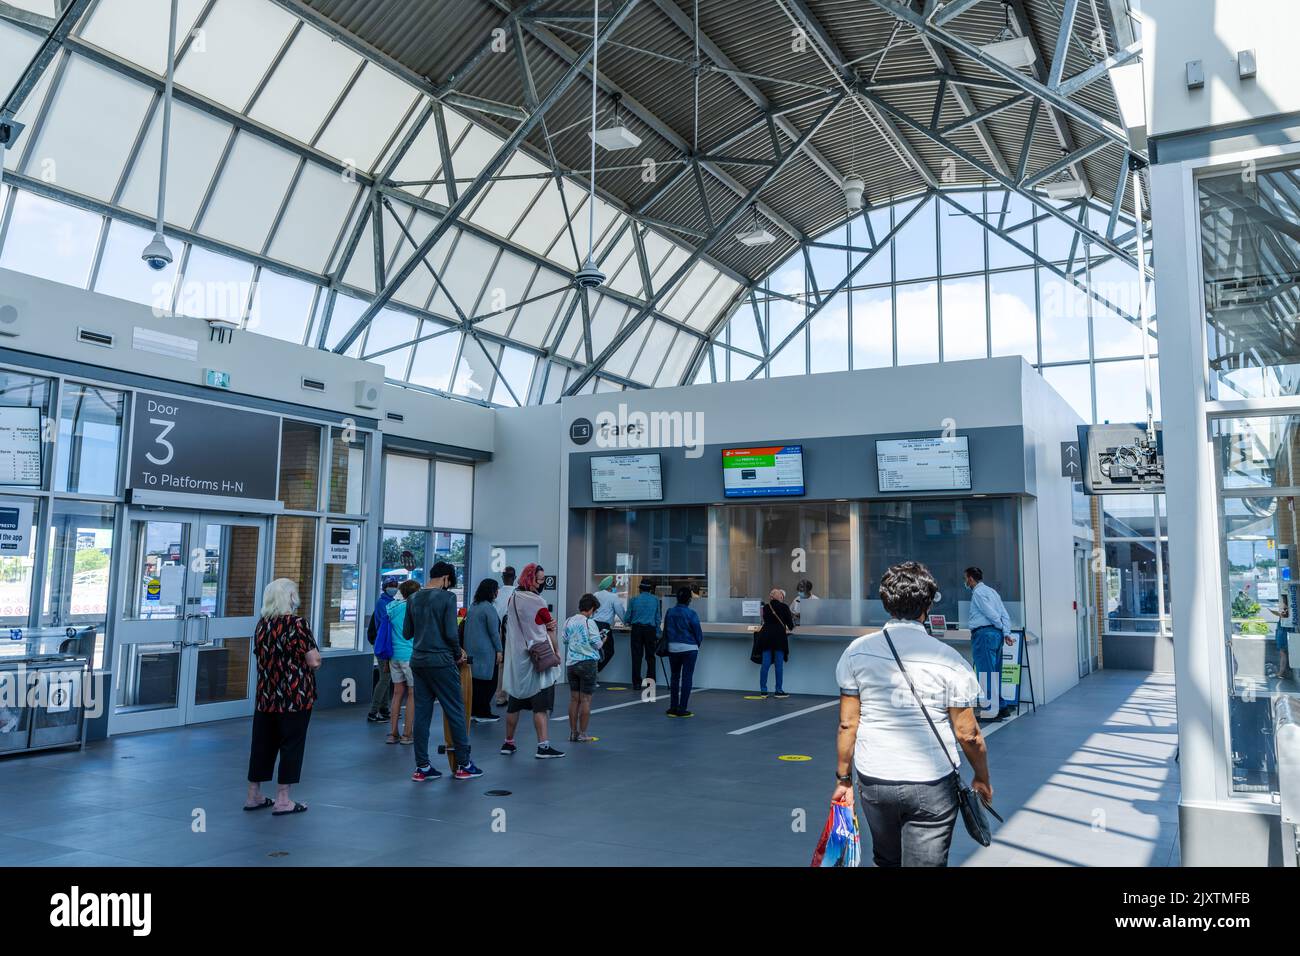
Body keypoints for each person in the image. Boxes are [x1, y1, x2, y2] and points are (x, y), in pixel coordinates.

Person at [833, 561, 992, 867]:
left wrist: (843, 778)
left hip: (874, 778)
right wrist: (982, 778)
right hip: (931, 782)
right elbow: (968, 733)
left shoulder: (856, 651)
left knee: (886, 859)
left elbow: (847, 723)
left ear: (886, 603)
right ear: (928, 606)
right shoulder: (949, 659)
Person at [244, 578, 321, 816]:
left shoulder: (262, 625)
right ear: (290, 597)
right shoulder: (298, 624)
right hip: (294, 696)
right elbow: (313, 660)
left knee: (262, 744)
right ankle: (283, 799)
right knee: (291, 745)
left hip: (266, 695)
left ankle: (254, 794)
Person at [406, 561, 482, 782]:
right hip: (441, 661)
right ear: (446, 578)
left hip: (418, 661)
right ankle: (464, 764)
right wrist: (458, 651)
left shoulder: (412, 598)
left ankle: (422, 767)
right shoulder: (447, 598)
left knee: (422, 714)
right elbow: (451, 632)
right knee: (455, 710)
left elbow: (408, 632)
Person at [500, 562, 565, 758]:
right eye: (541, 579)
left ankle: (508, 743)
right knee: (540, 706)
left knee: (514, 704)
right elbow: (549, 628)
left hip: (517, 661)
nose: (543, 582)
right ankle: (543, 746)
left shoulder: (513, 598)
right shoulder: (538, 602)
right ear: (532, 580)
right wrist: (558, 651)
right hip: (538, 660)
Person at [964, 566, 1015, 721]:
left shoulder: (978, 592)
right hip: (996, 636)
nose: (965, 582)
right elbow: (1004, 614)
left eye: (965, 578)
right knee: (994, 673)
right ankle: (1001, 706)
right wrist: (1005, 632)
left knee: (985, 673)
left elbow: (991, 613)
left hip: (984, 635)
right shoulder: (993, 592)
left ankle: (990, 711)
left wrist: (998, 626)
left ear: (971, 579)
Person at [383, 579, 421, 744]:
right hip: (409, 655)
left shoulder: (391, 607)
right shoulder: (413, 609)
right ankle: (407, 734)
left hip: (394, 656)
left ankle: (392, 733)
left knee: (397, 693)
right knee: (412, 693)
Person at [564, 593, 604, 742]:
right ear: (592, 608)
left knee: (574, 699)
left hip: (571, 663)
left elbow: (565, 639)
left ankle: (572, 733)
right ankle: (583, 734)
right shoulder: (589, 622)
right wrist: (603, 639)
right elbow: (597, 644)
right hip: (587, 663)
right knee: (586, 700)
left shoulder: (568, 621)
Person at [464, 578, 503, 723]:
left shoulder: (473, 606)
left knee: (476, 683)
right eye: (496, 589)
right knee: (489, 683)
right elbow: (494, 632)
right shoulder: (488, 608)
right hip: (486, 652)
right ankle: (483, 713)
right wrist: (499, 650)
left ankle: (474, 711)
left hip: (471, 650)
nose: (497, 592)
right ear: (491, 591)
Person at [663, 587, 703, 718]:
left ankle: (673, 706)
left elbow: (666, 629)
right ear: (689, 600)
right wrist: (697, 644)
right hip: (689, 648)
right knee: (687, 678)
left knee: (674, 677)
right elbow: (698, 632)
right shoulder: (691, 613)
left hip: (673, 647)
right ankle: (682, 708)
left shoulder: (670, 612)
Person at [365, 578, 399, 723]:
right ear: (385, 588)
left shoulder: (390, 602)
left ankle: (384, 709)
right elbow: (384, 625)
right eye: (391, 586)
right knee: (384, 679)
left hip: (385, 644)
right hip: (383, 645)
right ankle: (373, 711)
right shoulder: (383, 603)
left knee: (386, 677)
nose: (394, 588)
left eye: (395, 586)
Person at [752, 586, 794, 698]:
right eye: (781, 595)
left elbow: (764, 620)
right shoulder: (784, 607)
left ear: (771, 597)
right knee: (778, 666)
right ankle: (778, 690)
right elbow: (791, 625)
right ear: (779, 596)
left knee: (765, 665)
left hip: (766, 638)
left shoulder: (766, 607)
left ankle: (763, 691)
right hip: (779, 639)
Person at [625, 578, 661, 689]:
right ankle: (650, 682)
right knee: (650, 657)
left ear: (640, 589)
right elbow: (658, 618)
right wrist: (658, 632)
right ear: (650, 590)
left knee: (636, 656)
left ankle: (636, 683)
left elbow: (627, 618)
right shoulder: (655, 600)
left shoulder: (633, 600)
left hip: (636, 630)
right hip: (650, 630)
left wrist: (631, 621)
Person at [493, 566, 517, 706]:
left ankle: (500, 696)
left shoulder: (497, 594)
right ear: (514, 578)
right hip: (514, 633)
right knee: (515, 664)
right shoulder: (518, 593)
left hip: (498, 633)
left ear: (502, 578)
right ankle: (515, 694)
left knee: (500, 666)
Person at [592, 575, 625, 672]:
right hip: (604, 627)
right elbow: (620, 612)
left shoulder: (595, 595)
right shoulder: (613, 596)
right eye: (614, 584)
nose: (615, 586)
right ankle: (596, 671)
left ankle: (592, 672)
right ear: (610, 586)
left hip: (593, 625)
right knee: (609, 651)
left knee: (594, 650)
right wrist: (626, 622)